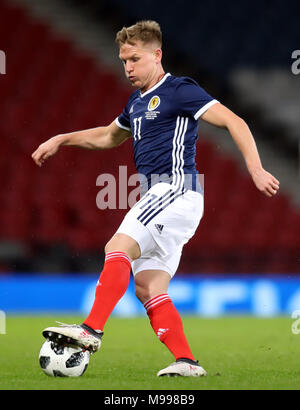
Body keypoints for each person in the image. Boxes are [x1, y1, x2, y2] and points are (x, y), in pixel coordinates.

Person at [31, 20, 280, 377]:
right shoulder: (135, 102)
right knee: (148, 288)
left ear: (156, 54)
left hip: (175, 188)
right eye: (123, 61)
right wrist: (61, 138)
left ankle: (91, 330)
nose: (128, 67)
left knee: (117, 246)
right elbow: (107, 136)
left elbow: (234, 121)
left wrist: (255, 168)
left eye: (134, 59)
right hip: (168, 199)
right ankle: (186, 361)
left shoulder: (179, 89)